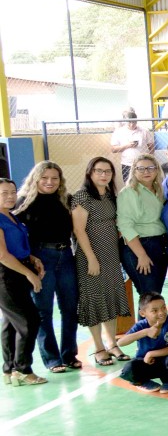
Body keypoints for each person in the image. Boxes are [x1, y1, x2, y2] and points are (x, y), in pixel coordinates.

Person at [14, 163, 78, 373]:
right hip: (41, 258)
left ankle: (69, 355)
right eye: (45, 178)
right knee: (44, 310)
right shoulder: (24, 202)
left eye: (54, 178)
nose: (50, 182)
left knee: (69, 308)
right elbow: (18, 237)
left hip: (66, 255)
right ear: (36, 179)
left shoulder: (65, 200)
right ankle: (52, 359)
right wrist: (30, 258)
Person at [70, 157, 128, 367]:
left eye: (108, 171)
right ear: (90, 173)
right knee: (94, 300)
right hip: (90, 256)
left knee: (110, 297)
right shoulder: (82, 197)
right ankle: (99, 348)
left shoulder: (111, 196)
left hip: (111, 255)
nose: (103, 175)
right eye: (99, 171)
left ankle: (112, 344)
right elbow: (79, 230)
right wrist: (92, 258)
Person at [0, 176, 46, 386]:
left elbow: (16, 247)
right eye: (4, 194)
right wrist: (29, 273)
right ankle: (22, 369)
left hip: (17, 270)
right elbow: (2, 255)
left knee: (10, 322)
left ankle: (9, 369)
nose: (10, 197)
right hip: (6, 275)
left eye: (12, 192)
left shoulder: (11, 216)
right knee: (29, 320)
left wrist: (32, 259)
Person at [117, 155, 168, 298]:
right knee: (149, 296)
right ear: (134, 171)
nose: (146, 171)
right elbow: (125, 226)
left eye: (151, 168)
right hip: (141, 247)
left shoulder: (159, 190)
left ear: (157, 170)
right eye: (141, 168)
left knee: (154, 295)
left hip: (159, 245)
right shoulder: (130, 192)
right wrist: (141, 255)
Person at [114, 293, 168, 393]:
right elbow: (121, 342)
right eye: (155, 310)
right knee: (129, 369)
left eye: (164, 308)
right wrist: (145, 332)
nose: (161, 312)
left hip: (164, 361)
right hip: (145, 362)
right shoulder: (141, 325)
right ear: (142, 313)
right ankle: (141, 382)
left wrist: (151, 354)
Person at [109, 109, 153, 182]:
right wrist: (128, 146)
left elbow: (151, 147)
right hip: (127, 164)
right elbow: (113, 149)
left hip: (143, 163)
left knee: (144, 183)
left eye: (134, 122)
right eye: (129, 122)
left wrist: (149, 159)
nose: (132, 124)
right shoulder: (119, 132)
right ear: (125, 121)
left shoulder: (144, 131)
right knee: (128, 184)